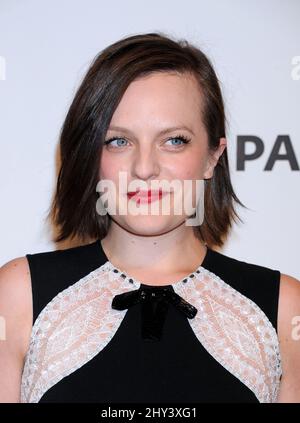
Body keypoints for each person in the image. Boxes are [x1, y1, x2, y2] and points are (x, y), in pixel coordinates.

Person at [0, 32, 299, 403]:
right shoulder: (16, 297)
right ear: (91, 154)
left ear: (213, 156)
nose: (144, 167)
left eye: (174, 140)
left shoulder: (285, 308)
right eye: (119, 141)